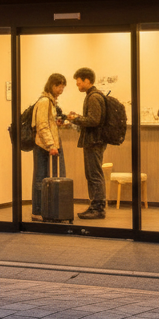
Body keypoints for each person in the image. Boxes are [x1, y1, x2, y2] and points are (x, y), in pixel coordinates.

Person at [65, 67, 107, 220]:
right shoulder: (93, 95)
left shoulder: (93, 97)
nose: (77, 84)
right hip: (94, 141)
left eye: (79, 81)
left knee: (94, 175)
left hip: (94, 141)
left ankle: (98, 208)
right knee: (93, 174)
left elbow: (94, 120)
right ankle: (95, 206)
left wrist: (75, 119)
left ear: (87, 80)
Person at [30, 73, 66, 221]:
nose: (61, 89)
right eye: (59, 86)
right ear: (52, 85)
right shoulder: (45, 101)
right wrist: (51, 144)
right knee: (40, 178)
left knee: (44, 177)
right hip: (43, 145)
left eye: (63, 86)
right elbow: (42, 125)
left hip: (47, 144)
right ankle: (37, 211)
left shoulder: (51, 102)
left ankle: (44, 209)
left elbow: (48, 123)